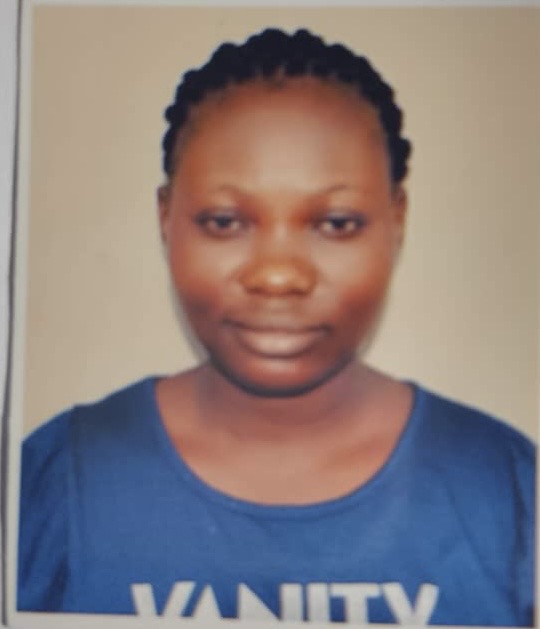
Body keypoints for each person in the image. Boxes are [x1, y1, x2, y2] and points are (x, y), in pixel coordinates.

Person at [18, 28, 535, 625]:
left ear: (397, 220)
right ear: (166, 219)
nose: (278, 275)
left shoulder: (507, 491)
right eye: (224, 221)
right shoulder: (58, 481)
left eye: (336, 223)